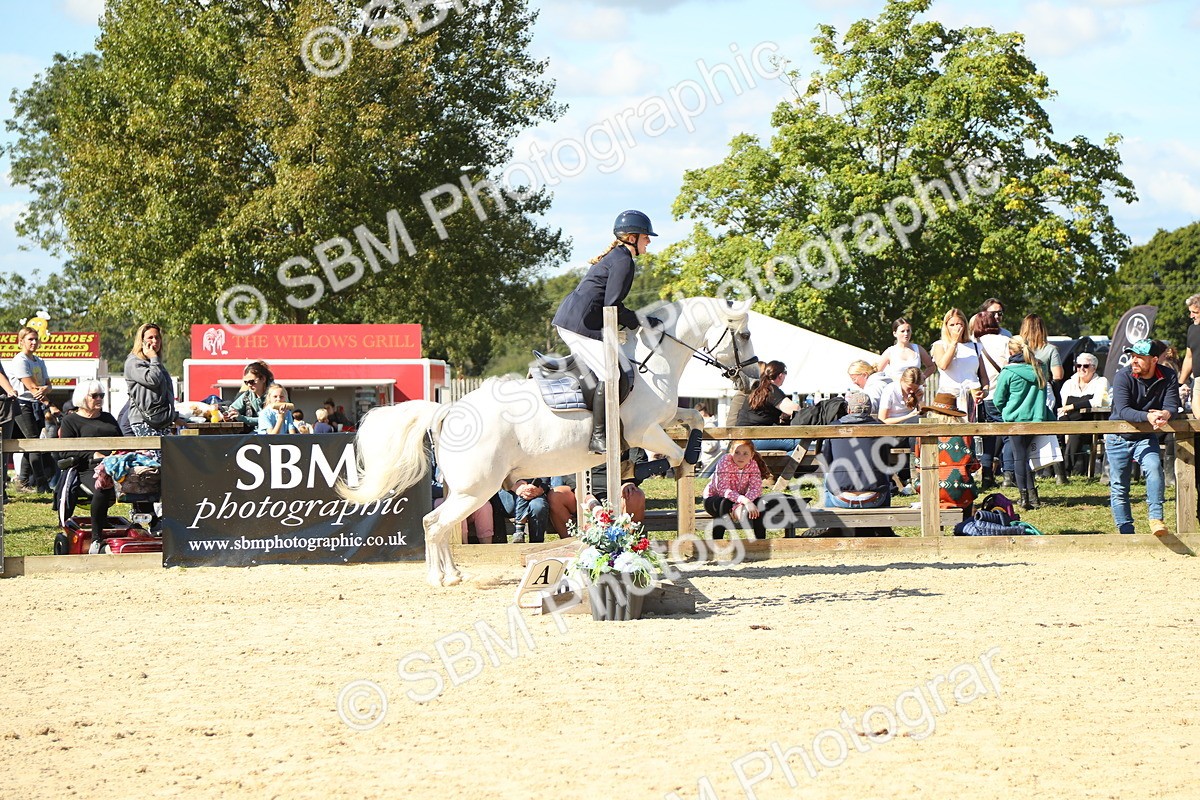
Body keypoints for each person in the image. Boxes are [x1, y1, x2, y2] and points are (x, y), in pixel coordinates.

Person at [551, 210, 661, 453]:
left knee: (615, 369)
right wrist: (640, 320)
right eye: (645, 237)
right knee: (611, 375)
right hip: (579, 325)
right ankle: (599, 437)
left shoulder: (618, 256)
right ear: (631, 237)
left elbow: (610, 306)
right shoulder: (623, 261)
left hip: (577, 321)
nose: (649, 241)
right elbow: (612, 306)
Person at [1107, 339, 1180, 536]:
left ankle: (1156, 518)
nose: (1134, 361)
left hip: (1146, 436)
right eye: (1132, 357)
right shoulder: (1123, 376)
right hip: (1117, 437)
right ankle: (1126, 531)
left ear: (1154, 359)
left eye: (1139, 357)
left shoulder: (1169, 375)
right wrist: (1148, 416)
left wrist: (1165, 415)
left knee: (1155, 468)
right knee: (1120, 486)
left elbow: (1172, 404)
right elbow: (1123, 410)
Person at [992, 335, 1054, 510]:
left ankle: (1024, 498)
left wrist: (1006, 411)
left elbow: (998, 399)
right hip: (1036, 419)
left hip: (1015, 420)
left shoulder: (1008, 371)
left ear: (1011, 351)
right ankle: (1033, 496)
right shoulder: (1040, 367)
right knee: (1026, 457)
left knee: (1019, 457)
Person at [58, 380, 122, 543]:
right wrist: (93, 454)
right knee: (103, 484)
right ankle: (96, 536)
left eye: (101, 395)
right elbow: (65, 452)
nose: (99, 399)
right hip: (88, 468)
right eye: (94, 396)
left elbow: (123, 441)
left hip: (116, 464)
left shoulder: (108, 418)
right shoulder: (70, 421)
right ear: (82, 398)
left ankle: (152, 524)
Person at [821, 391, 898, 514]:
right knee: (885, 474)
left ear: (849, 410)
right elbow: (885, 461)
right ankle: (884, 526)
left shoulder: (834, 427)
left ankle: (829, 521)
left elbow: (826, 461)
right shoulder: (880, 428)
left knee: (827, 474)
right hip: (874, 498)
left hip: (841, 498)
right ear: (869, 410)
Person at [914, 392, 980, 519]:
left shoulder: (922, 434)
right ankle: (965, 527)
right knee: (967, 488)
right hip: (961, 491)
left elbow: (918, 464)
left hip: (930, 490)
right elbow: (974, 465)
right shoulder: (965, 435)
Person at [971, 310, 1014, 488]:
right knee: (1008, 435)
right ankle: (1009, 474)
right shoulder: (1005, 341)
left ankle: (987, 475)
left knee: (987, 436)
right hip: (1002, 395)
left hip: (982, 395)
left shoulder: (974, 344)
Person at [9, 325, 54, 492]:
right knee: (34, 441)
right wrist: (50, 403)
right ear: (21, 342)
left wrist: (45, 390)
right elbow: (32, 387)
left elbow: (48, 385)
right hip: (21, 403)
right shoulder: (20, 360)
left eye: (36, 339)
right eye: (30, 339)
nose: (34, 342)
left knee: (31, 442)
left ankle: (22, 481)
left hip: (35, 404)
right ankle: (42, 483)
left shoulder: (39, 361)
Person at [703, 440, 774, 539]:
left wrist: (740, 504)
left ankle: (760, 543)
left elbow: (756, 489)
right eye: (737, 452)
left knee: (760, 504)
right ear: (731, 452)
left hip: (739, 499)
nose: (741, 457)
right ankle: (717, 542)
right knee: (724, 503)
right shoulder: (725, 461)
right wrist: (745, 501)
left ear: (752, 455)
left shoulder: (752, 464)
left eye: (745, 453)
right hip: (715, 498)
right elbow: (723, 490)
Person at [1058, 352, 1109, 477]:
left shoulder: (1101, 382)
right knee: (1055, 431)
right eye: (1078, 365)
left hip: (1092, 424)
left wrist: (1073, 406)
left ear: (1094, 368)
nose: (1081, 369)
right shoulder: (1068, 384)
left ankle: (1065, 471)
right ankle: (1054, 471)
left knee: (1076, 433)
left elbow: (1097, 402)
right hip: (1070, 421)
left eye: (1085, 366)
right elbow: (1062, 409)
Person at [124, 323, 177, 438]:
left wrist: (175, 417)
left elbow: (166, 393)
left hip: (162, 420)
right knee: (154, 456)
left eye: (157, 337)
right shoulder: (134, 362)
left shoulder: (157, 364)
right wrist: (153, 357)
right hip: (144, 421)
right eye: (150, 338)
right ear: (141, 341)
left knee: (166, 456)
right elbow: (153, 380)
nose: (155, 341)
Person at [736, 360, 801, 452]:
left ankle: (783, 465)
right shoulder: (771, 389)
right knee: (799, 441)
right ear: (781, 375)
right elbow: (795, 409)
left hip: (743, 436)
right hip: (752, 439)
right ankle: (786, 466)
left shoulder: (759, 388)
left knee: (793, 447)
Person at [930, 308, 980, 417]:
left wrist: (984, 391)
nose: (956, 328)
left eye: (959, 324)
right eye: (952, 325)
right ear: (946, 326)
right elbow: (943, 365)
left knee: (971, 433)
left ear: (964, 325)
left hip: (971, 395)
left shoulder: (975, 346)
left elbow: (983, 375)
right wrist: (954, 342)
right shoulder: (939, 345)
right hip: (949, 398)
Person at [876, 318, 935, 382]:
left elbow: (931, 366)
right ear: (895, 333)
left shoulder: (918, 349)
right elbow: (877, 372)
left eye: (908, 330)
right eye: (902, 331)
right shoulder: (890, 352)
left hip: (916, 389)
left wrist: (922, 377)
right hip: (897, 389)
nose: (906, 334)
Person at [228, 361, 273, 431]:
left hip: (274, 433)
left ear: (263, 379)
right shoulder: (248, 395)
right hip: (257, 434)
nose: (249, 385)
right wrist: (229, 414)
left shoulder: (275, 395)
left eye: (251, 381)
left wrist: (242, 418)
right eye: (246, 382)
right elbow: (233, 408)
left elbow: (266, 420)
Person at [1180, 293, 1199, 417]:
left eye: (1195, 312)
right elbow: (1189, 357)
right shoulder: (1192, 329)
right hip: (1198, 381)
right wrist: (1180, 383)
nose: (1191, 316)